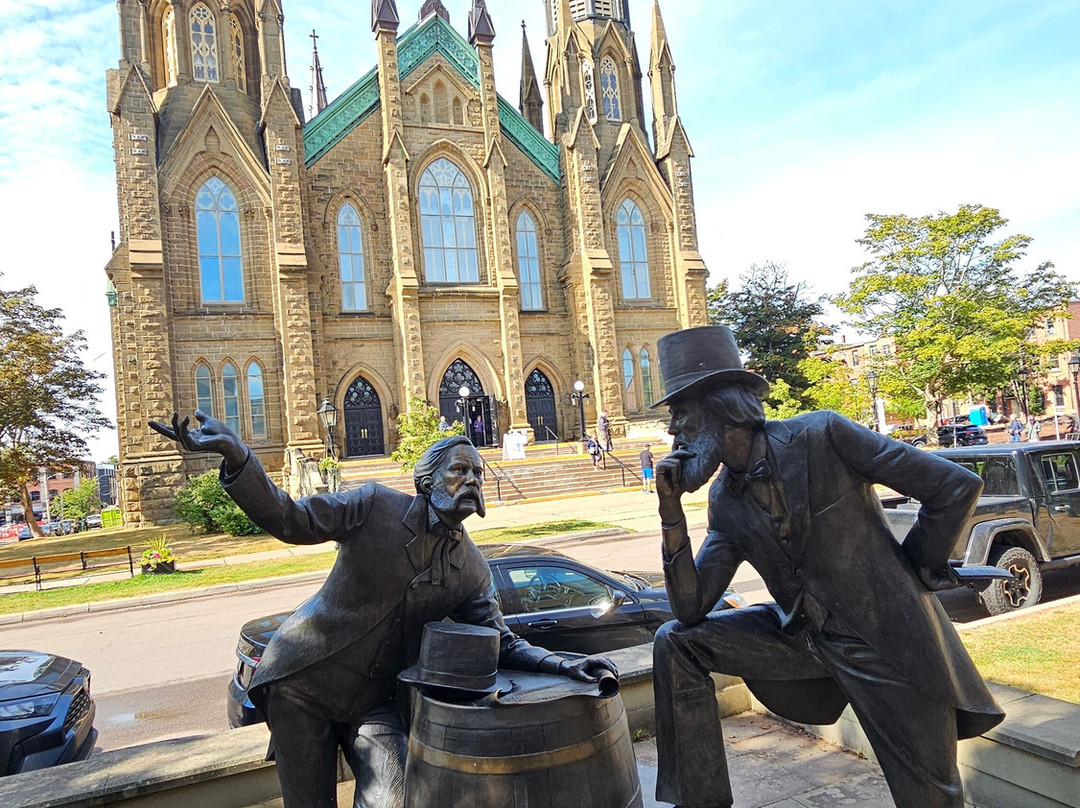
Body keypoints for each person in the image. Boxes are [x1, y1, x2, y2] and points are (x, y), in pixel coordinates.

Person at [149, 412, 615, 808]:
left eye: (478, 473)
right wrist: (240, 458)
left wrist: (565, 663)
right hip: (301, 682)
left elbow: (501, 641)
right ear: (426, 480)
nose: (472, 480)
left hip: (372, 700)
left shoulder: (471, 567)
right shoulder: (373, 506)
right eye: (460, 471)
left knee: (393, 796)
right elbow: (290, 519)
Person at [649, 326, 1004, 808]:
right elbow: (690, 607)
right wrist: (671, 515)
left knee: (932, 799)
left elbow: (953, 487)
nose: (673, 433)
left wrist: (915, 570)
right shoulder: (725, 500)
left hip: (887, 640)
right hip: (804, 640)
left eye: (681, 415)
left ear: (719, 408)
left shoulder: (822, 434)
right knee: (677, 641)